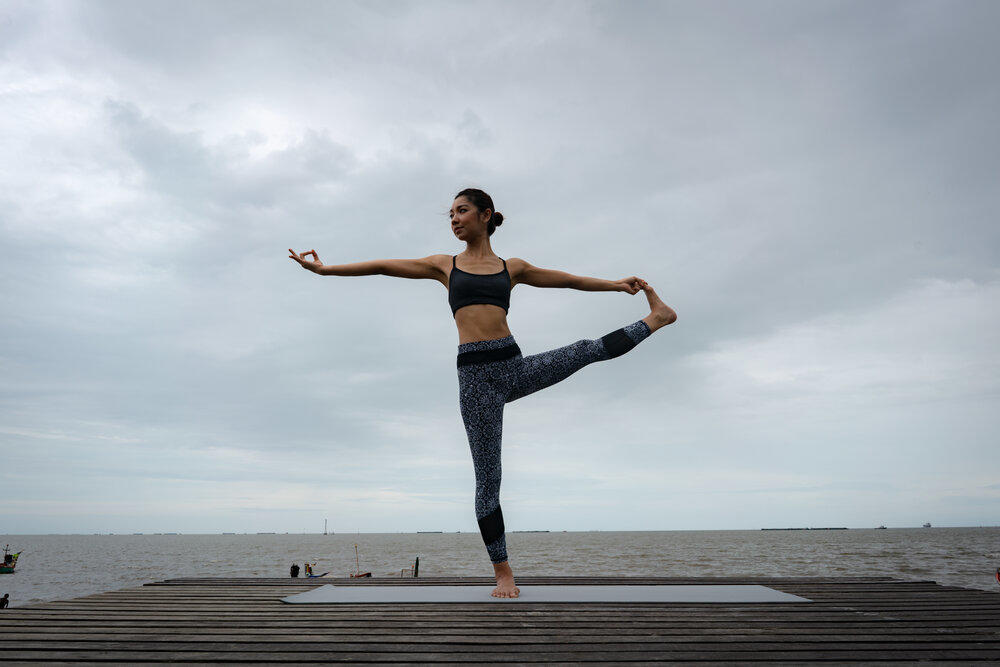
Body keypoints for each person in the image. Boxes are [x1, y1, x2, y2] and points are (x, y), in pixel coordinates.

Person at [288, 188, 676, 598]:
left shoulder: (513, 268)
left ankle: (657, 318)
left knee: (585, 350)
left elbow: (569, 281)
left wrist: (616, 286)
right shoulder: (444, 265)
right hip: (476, 381)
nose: (454, 219)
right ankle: (503, 573)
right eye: (450, 214)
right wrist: (326, 270)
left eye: (462, 211)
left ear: (485, 215)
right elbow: (385, 266)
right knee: (488, 480)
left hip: (514, 366)